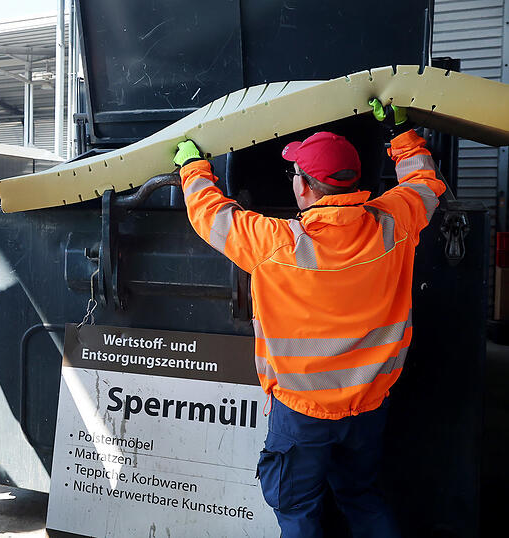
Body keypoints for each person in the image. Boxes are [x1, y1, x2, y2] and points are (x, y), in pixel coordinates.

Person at [171, 101, 445, 537]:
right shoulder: (394, 224)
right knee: (362, 497)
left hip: (303, 414)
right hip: (369, 405)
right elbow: (425, 183)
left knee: (298, 510)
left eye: (294, 174)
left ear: (305, 189)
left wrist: (192, 167)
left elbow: (210, 214)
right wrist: (403, 133)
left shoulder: (276, 244)